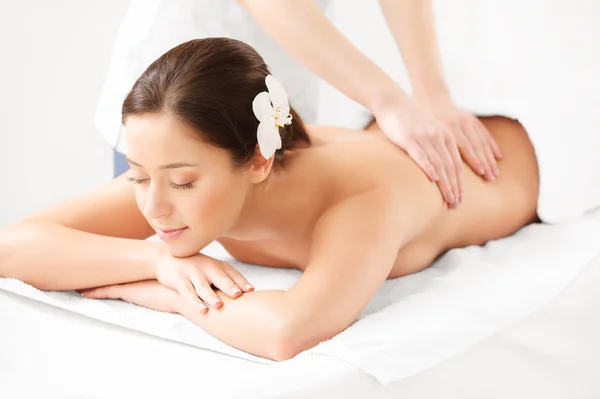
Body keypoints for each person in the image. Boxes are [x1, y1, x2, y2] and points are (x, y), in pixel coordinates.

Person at [0, 38, 538, 362]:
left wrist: (156, 294)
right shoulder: (188, 175)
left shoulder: (360, 200)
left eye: (183, 182)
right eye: (138, 177)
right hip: (385, 136)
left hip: (523, 154)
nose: (153, 208)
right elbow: (11, 246)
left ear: (258, 159)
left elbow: (289, 332)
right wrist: (154, 260)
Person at [98, 0, 501, 209]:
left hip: (274, 97)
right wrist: (388, 100)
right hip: (175, 93)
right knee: (164, 243)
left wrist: (431, 94)